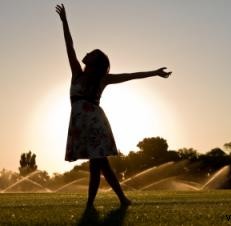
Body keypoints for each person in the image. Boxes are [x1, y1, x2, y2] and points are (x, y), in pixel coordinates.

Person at [56, 4, 171, 208]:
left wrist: (154, 72)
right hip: (88, 122)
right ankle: (108, 201)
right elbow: (70, 47)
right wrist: (65, 22)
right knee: (98, 164)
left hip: (91, 123)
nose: (87, 53)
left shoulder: (94, 77)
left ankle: (113, 201)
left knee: (99, 164)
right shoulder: (82, 74)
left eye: (91, 53)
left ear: (94, 61)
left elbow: (129, 76)